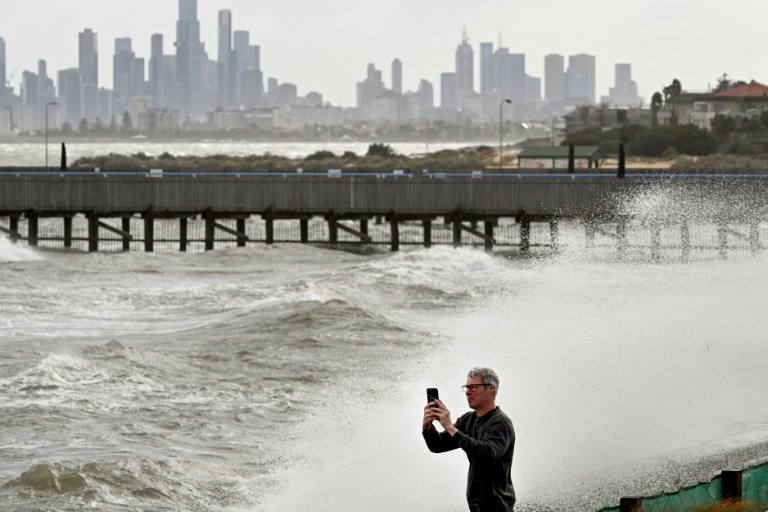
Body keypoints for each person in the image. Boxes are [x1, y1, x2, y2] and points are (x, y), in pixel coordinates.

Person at [422, 367, 516, 512]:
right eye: (466, 387)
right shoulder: (468, 420)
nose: (467, 392)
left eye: (473, 387)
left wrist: (450, 427)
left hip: (497, 506)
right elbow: (437, 445)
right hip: (476, 505)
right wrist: (427, 427)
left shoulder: (500, 422)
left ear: (491, 389)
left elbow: (486, 454)